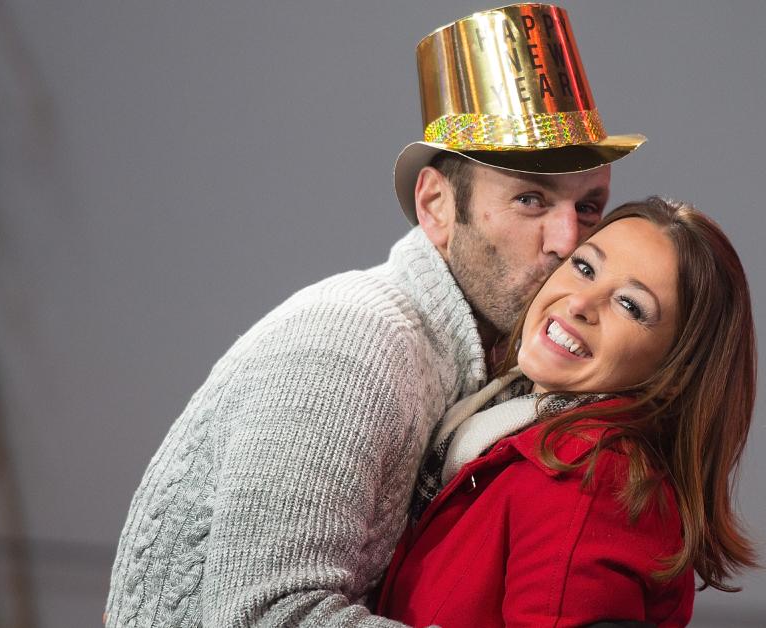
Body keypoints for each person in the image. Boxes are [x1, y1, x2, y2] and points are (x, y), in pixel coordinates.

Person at [104, 5, 645, 627]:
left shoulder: (480, 372)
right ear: (437, 205)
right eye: (530, 199)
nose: (566, 239)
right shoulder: (355, 346)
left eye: (590, 206)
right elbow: (265, 616)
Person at [379, 197, 760, 627]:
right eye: (585, 267)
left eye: (630, 305)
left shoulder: (592, 476)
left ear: (674, 373)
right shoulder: (498, 425)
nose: (581, 302)